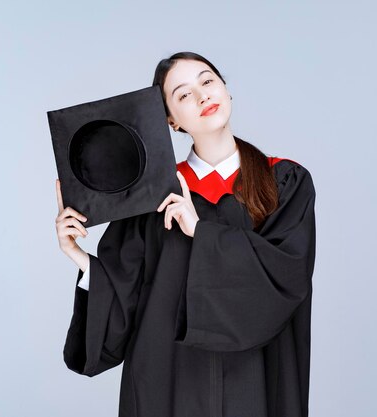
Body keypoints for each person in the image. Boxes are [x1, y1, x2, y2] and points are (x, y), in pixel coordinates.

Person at [54, 51, 317, 417]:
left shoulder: (284, 182)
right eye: (182, 95)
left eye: (207, 81)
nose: (202, 96)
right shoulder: (152, 197)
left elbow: (287, 277)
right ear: (171, 121)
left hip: (254, 383)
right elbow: (123, 299)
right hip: (168, 385)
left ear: (226, 90)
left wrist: (200, 231)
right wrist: (83, 261)